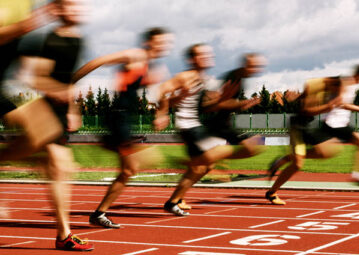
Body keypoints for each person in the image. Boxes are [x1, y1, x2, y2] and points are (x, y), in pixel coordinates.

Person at [0, 0, 93, 250]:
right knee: (49, 152)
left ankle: (64, 234)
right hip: (11, 87)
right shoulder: (32, 22)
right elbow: (34, 73)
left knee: (57, 154)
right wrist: (26, 25)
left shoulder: (27, 6)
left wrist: (72, 106)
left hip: (9, 85)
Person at [72, 27, 174, 228]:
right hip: (118, 117)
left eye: (167, 42)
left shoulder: (154, 67)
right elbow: (98, 61)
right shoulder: (134, 56)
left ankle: (105, 144)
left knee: (135, 165)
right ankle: (99, 214)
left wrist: (162, 113)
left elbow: (162, 92)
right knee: (130, 169)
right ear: (149, 42)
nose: (164, 46)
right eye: (160, 42)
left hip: (126, 119)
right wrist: (70, 82)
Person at [266, 65, 359, 205]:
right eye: (337, 90)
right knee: (298, 164)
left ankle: (285, 158)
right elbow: (307, 110)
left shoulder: (331, 87)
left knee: (327, 151)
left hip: (311, 126)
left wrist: (297, 97)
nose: (338, 93)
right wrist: (329, 106)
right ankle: (272, 193)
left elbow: (339, 102)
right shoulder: (314, 85)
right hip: (298, 127)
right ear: (332, 84)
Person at [158, 43, 240, 216]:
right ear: (192, 59)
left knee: (203, 168)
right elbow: (162, 91)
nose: (207, 58)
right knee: (222, 148)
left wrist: (229, 100)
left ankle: (173, 202)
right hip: (187, 125)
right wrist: (162, 114)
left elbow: (209, 106)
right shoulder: (184, 77)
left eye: (209, 55)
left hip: (196, 124)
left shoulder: (206, 80)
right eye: (202, 55)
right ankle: (184, 163)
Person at [176, 53, 266, 210]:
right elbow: (215, 104)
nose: (256, 69)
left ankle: (180, 194)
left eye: (258, 66)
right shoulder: (232, 78)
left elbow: (225, 102)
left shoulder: (240, 79)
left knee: (205, 167)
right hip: (216, 123)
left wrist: (241, 105)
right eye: (253, 66)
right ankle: (204, 160)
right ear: (245, 65)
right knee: (252, 146)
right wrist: (240, 104)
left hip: (223, 123)